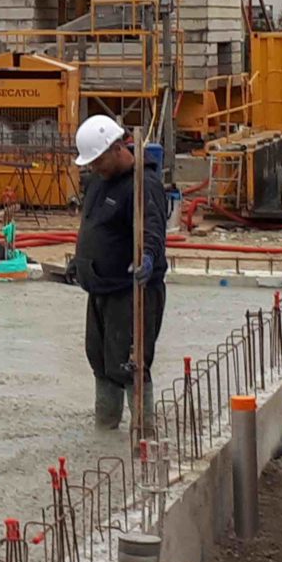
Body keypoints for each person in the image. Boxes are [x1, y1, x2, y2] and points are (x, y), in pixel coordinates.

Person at [68, 114, 169, 431]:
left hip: (130, 290)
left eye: (97, 160)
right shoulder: (100, 181)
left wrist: (149, 258)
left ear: (116, 148)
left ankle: (143, 434)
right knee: (100, 360)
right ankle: (106, 428)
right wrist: (80, 261)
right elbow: (93, 225)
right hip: (100, 288)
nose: (93, 167)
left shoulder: (143, 185)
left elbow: (152, 229)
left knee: (130, 364)